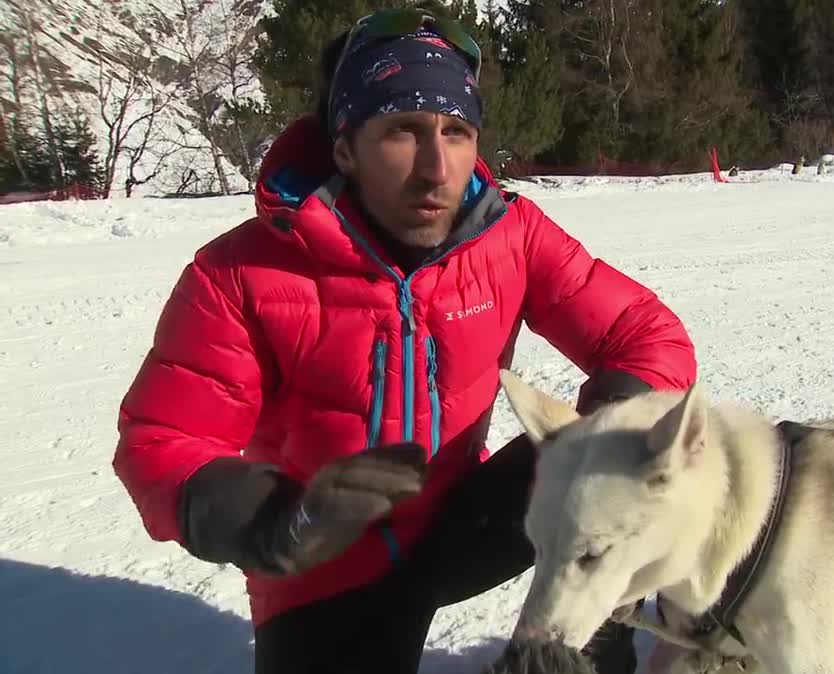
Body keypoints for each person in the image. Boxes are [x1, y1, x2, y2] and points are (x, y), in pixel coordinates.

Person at [111, 7, 696, 674]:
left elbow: (647, 336)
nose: (436, 168)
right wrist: (280, 520)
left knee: (611, 459)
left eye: (457, 131)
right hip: (323, 562)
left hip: (460, 521)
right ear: (343, 147)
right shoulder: (240, 274)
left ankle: (592, 640)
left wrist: (607, 441)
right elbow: (161, 441)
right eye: (403, 132)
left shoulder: (510, 235)